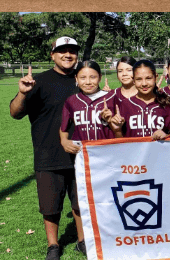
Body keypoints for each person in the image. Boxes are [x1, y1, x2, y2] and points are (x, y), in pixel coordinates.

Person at [9, 37, 81, 260]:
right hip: (48, 153)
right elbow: (15, 113)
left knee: (80, 202)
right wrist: (23, 92)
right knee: (50, 206)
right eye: (62, 51)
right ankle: (53, 246)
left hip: (81, 153)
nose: (67, 55)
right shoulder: (38, 81)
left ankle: (82, 241)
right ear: (52, 55)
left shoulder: (83, 80)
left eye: (72, 51)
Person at [57, 60, 110, 259]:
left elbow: (118, 128)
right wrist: (64, 142)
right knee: (86, 199)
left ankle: (109, 236)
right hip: (83, 159)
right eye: (83, 77)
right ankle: (87, 239)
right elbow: (63, 129)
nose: (88, 81)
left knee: (107, 198)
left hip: (107, 157)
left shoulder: (110, 98)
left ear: (100, 78)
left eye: (93, 77)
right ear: (76, 80)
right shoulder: (71, 101)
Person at [108, 60, 170, 140]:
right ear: (133, 80)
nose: (144, 83)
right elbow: (121, 144)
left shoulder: (167, 104)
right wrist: (117, 131)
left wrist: (166, 136)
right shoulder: (125, 105)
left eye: (148, 78)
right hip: (133, 152)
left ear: (156, 77)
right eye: (139, 79)